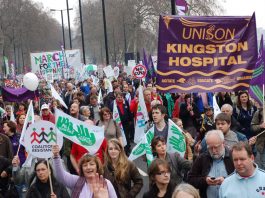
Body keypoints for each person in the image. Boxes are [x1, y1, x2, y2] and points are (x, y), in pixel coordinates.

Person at [52, 145, 117, 198]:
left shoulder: (106, 183)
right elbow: (60, 176)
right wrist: (56, 156)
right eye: (85, 165)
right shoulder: (76, 181)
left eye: (91, 164)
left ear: (97, 167)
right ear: (81, 169)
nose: (88, 167)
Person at [188, 130, 234, 198]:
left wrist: (225, 181)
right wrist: (205, 180)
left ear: (223, 143)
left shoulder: (232, 157)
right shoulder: (202, 158)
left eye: (216, 147)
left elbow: (241, 178)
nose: (213, 151)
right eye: (210, 148)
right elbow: (190, 179)